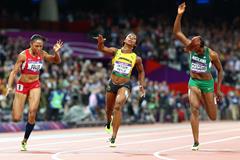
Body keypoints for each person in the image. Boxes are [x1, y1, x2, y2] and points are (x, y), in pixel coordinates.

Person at [173, 2, 224, 151]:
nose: (194, 51)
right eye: (192, 49)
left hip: (208, 84)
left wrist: (218, 89)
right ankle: (196, 141)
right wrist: (179, 14)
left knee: (213, 116)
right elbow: (177, 32)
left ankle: (205, 98)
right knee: (194, 109)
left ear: (202, 47)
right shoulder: (192, 47)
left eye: (196, 50)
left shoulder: (212, 54)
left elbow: (220, 71)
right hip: (194, 82)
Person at [5, 34, 63, 151]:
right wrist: (9, 86)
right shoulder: (23, 56)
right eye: (37, 46)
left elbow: (56, 61)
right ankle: (16, 107)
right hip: (22, 85)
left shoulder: (42, 54)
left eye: (41, 46)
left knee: (33, 112)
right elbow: (13, 72)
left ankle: (25, 140)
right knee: (16, 118)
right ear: (31, 44)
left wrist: (56, 52)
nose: (39, 48)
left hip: (35, 85)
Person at [96, 33, 145, 147]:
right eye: (130, 36)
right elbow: (102, 48)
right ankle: (108, 123)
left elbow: (141, 71)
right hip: (112, 83)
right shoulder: (115, 51)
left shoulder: (136, 58)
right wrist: (100, 42)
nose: (132, 38)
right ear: (124, 40)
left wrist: (141, 85)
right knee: (108, 110)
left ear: (135, 44)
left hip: (125, 85)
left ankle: (113, 137)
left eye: (134, 38)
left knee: (118, 106)